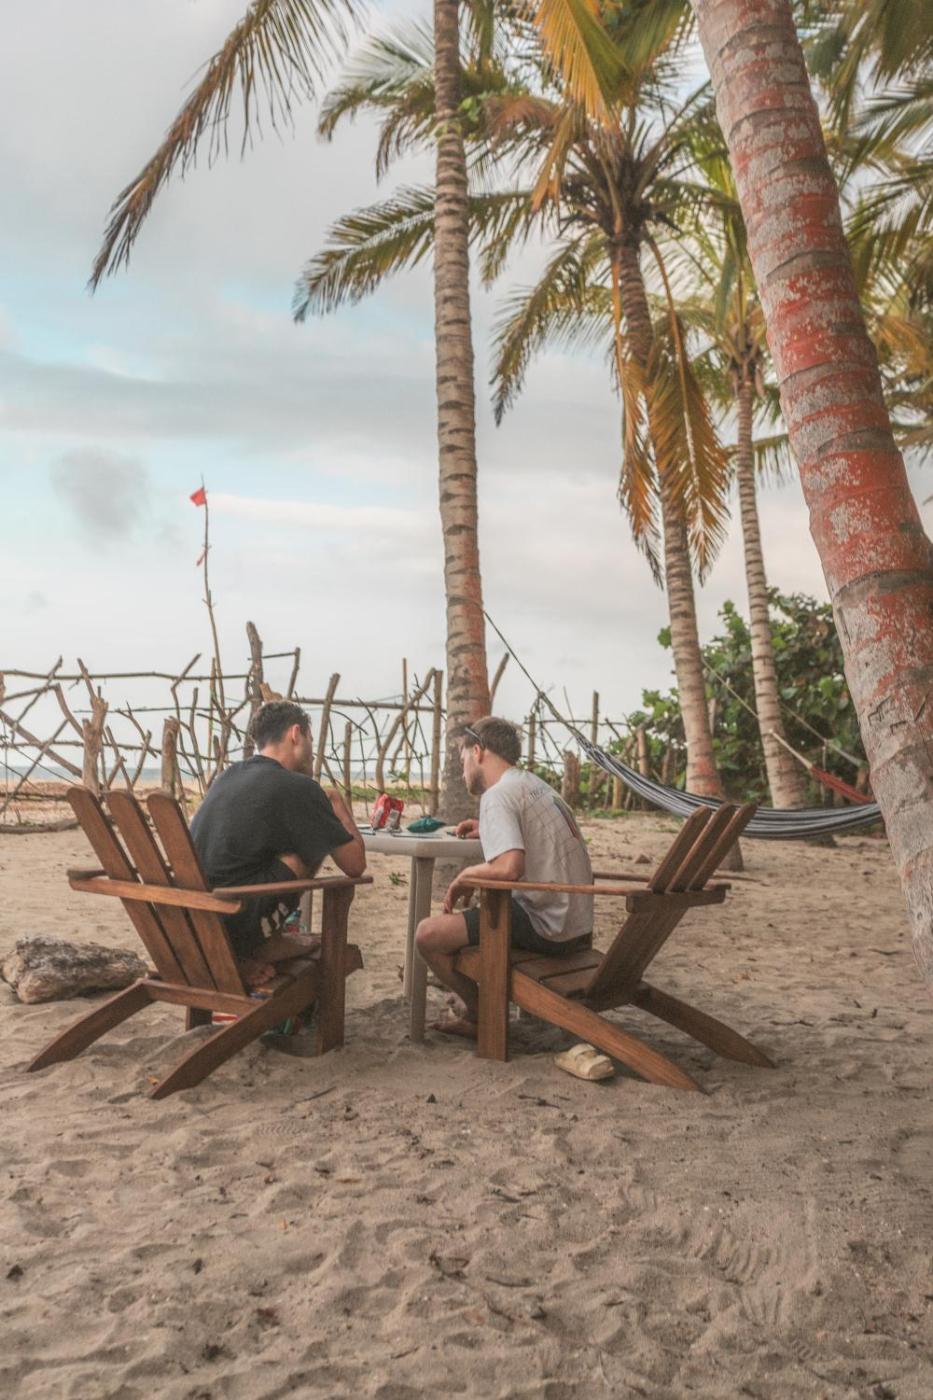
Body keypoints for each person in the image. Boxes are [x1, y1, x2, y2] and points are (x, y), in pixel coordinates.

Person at [415, 716, 594, 1038]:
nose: (462, 771)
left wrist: (465, 877)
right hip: (576, 926)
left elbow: (510, 867)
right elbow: (535, 836)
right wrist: (489, 829)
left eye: (463, 760)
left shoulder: (497, 795)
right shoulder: (534, 785)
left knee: (428, 935)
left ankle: (479, 1015)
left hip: (547, 927)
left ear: (478, 751)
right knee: (475, 918)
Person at [191, 700, 365, 986]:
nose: (312, 751)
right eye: (311, 739)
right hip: (237, 927)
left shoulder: (228, 776)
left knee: (290, 842)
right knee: (299, 852)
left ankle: (266, 940)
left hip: (196, 922)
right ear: (296, 734)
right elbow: (355, 865)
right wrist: (336, 803)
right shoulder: (299, 788)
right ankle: (262, 945)